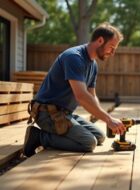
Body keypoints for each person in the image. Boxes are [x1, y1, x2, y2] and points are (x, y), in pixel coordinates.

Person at [23, 23, 126, 157]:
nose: (112, 53)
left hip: (65, 113)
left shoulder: (93, 65)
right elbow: (81, 96)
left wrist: (104, 116)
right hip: (47, 113)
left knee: (99, 136)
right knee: (88, 143)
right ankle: (39, 137)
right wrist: (108, 119)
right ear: (100, 40)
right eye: (111, 47)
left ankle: (51, 135)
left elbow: (91, 95)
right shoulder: (74, 57)